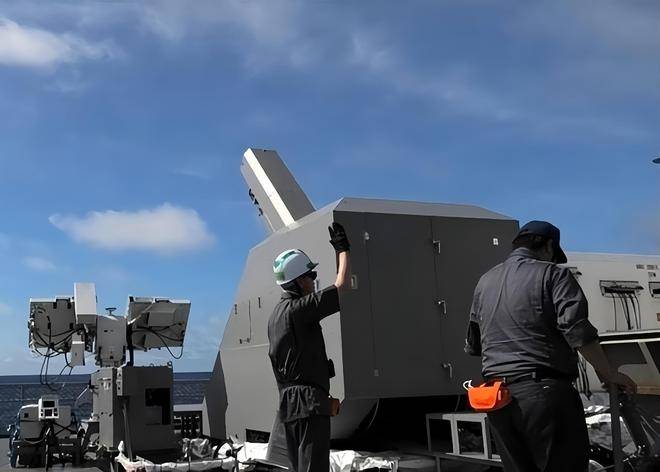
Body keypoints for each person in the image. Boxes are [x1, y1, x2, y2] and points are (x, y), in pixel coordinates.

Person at [465, 220, 636, 472]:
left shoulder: (485, 282)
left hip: (497, 399)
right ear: (548, 246)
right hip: (543, 394)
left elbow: (474, 344)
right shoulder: (553, 274)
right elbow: (577, 329)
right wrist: (608, 373)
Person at [267, 222, 351, 472]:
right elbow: (341, 287)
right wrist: (343, 250)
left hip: (289, 405)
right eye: (311, 276)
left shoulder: (275, 315)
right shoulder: (298, 310)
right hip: (309, 405)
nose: (314, 281)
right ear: (298, 281)